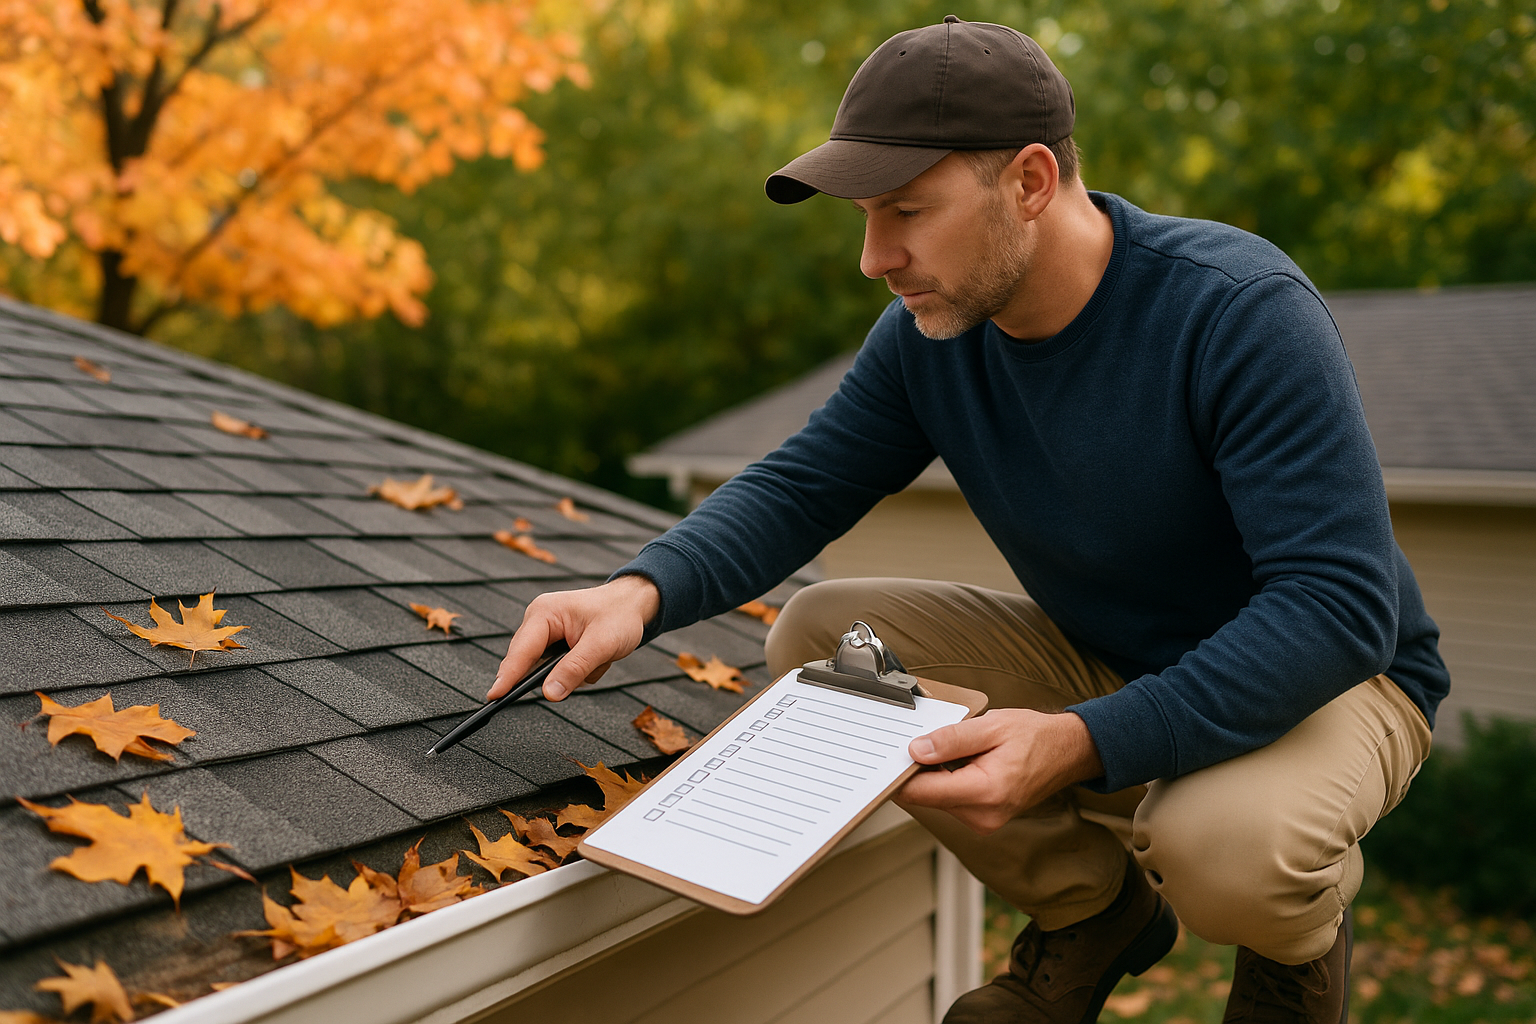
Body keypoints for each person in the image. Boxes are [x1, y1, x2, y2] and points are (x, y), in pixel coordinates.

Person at [492, 16, 1449, 1024]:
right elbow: (799, 485)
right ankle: (1094, 912)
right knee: (834, 649)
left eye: (907, 209)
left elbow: (1337, 605)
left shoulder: (1237, 310)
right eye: (866, 215)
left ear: (1030, 181)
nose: (874, 257)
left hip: (1339, 678)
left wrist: (1082, 742)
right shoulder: (930, 336)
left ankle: (1293, 950)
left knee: (1226, 851)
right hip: (1117, 656)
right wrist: (636, 593)